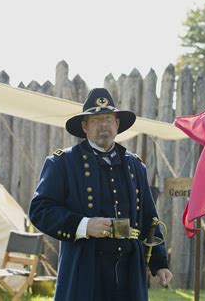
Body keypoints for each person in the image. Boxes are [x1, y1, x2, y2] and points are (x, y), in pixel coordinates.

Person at [29, 88, 173, 300]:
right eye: (96, 119)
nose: (103, 124)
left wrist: (159, 264)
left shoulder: (135, 165)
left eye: (108, 118)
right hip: (84, 267)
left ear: (117, 125)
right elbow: (40, 210)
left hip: (128, 268)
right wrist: (85, 225)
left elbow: (149, 218)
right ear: (85, 127)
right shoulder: (62, 163)